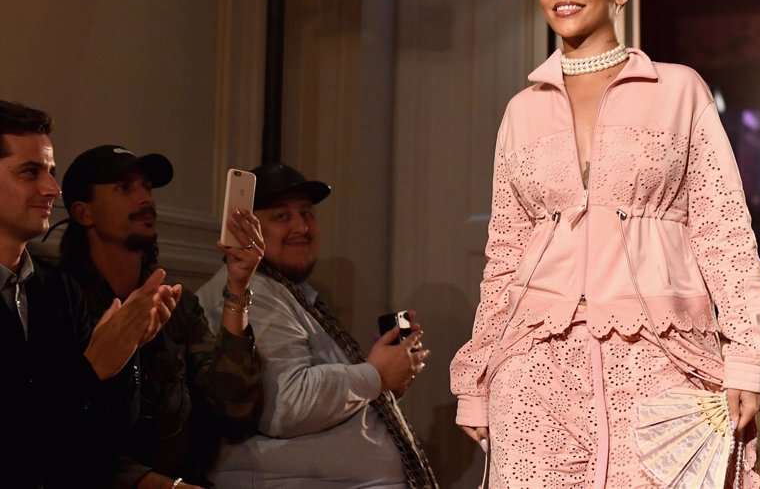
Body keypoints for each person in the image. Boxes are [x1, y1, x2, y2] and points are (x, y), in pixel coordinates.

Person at [449, 0, 760, 487]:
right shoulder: (521, 110)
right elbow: (503, 253)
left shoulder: (678, 90)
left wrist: (749, 355)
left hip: (660, 354)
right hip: (534, 362)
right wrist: (476, 378)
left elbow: (724, 231)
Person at [196, 162, 437, 488]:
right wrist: (376, 376)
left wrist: (388, 377)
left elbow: (325, 401)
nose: (301, 227)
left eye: (307, 214)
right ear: (243, 228)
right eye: (282, 216)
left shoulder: (294, 293)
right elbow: (288, 405)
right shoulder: (250, 292)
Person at [59, 144, 264, 489]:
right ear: (84, 213)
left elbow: (234, 410)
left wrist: (238, 286)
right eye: (125, 188)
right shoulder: (60, 301)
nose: (146, 200)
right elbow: (60, 433)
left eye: (147, 188)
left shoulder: (174, 301)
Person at [0, 100, 178, 488]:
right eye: (30, 172)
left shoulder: (56, 288)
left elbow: (101, 440)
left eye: (50, 171)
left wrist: (126, 349)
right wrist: (93, 366)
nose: (51, 188)